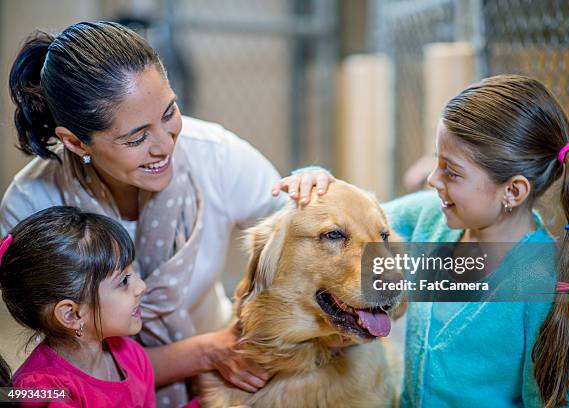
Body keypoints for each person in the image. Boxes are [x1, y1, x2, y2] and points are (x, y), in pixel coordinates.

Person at [0, 21, 332, 407]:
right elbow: (60, 382)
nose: (165, 144)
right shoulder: (33, 204)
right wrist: (205, 353)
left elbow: (320, 234)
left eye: (170, 111)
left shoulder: (216, 154)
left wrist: (323, 191)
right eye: (136, 137)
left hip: (228, 359)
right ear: (75, 141)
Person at [383, 75, 569, 407]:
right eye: (436, 161)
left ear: (512, 191)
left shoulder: (542, 283)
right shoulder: (429, 219)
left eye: (450, 171)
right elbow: (356, 223)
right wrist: (319, 183)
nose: (431, 179)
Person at [0, 206, 160, 407]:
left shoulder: (131, 355)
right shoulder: (40, 391)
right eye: (124, 281)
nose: (141, 287)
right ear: (72, 315)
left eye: (132, 271)